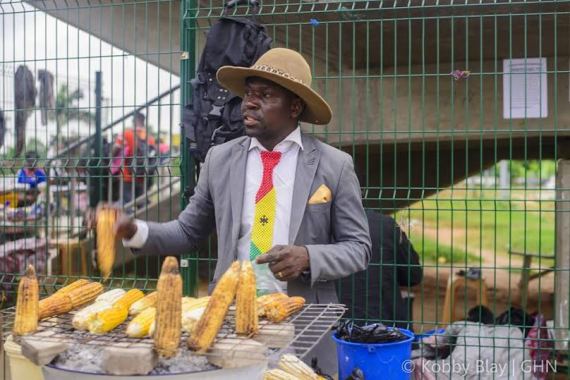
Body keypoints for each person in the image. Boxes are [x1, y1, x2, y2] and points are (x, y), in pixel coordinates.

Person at [110, 48, 371, 372]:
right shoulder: (220, 160)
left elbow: (358, 248)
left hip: (303, 326)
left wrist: (308, 256)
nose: (249, 102)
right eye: (248, 93)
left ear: (294, 106)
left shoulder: (334, 165)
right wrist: (135, 230)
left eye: (264, 95)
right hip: (231, 322)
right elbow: (188, 230)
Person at [339, 210, 423, 330]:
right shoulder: (386, 224)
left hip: (331, 326)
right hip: (386, 326)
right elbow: (413, 276)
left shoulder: (315, 228)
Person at [115, 112, 156, 206]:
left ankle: (128, 220)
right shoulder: (150, 138)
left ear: (134, 121)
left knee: (126, 205)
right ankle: (142, 220)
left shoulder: (126, 134)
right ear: (144, 121)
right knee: (143, 205)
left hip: (127, 175)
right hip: (143, 175)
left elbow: (116, 148)